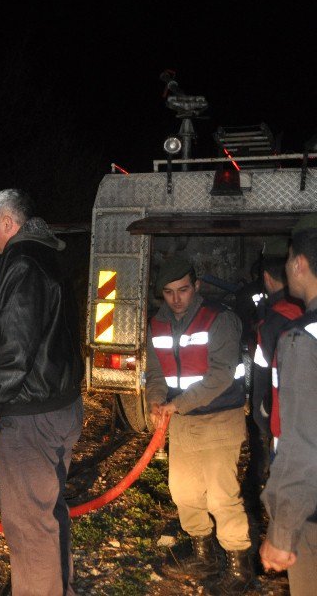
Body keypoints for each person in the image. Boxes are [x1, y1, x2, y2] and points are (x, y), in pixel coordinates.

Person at [0, 188, 83, 596]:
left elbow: (16, 343)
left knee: (28, 523)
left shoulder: (23, 263)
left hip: (30, 413)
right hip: (55, 407)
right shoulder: (44, 257)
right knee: (47, 511)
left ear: (7, 222)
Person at [145, 256, 253, 593]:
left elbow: (221, 374)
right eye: (169, 292)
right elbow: (155, 372)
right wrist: (155, 400)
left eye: (183, 290)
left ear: (197, 286)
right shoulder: (157, 323)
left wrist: (176, 404)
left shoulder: (219, 319)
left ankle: (239, 566)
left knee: (222, 496)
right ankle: (203, 554)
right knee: (184, 492)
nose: (176, 299)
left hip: (220, 417)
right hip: (182, 421)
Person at [260, 214, 317, 591]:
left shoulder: (303, 339)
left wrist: (281, 534)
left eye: (288, 259)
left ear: (299, 264)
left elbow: (303, 444)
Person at [247, 237, 302, 491]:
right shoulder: (304, 311)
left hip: (287, 433)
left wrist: (263, 421)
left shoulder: (273, 322)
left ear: (268, 278)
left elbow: (263, 380)